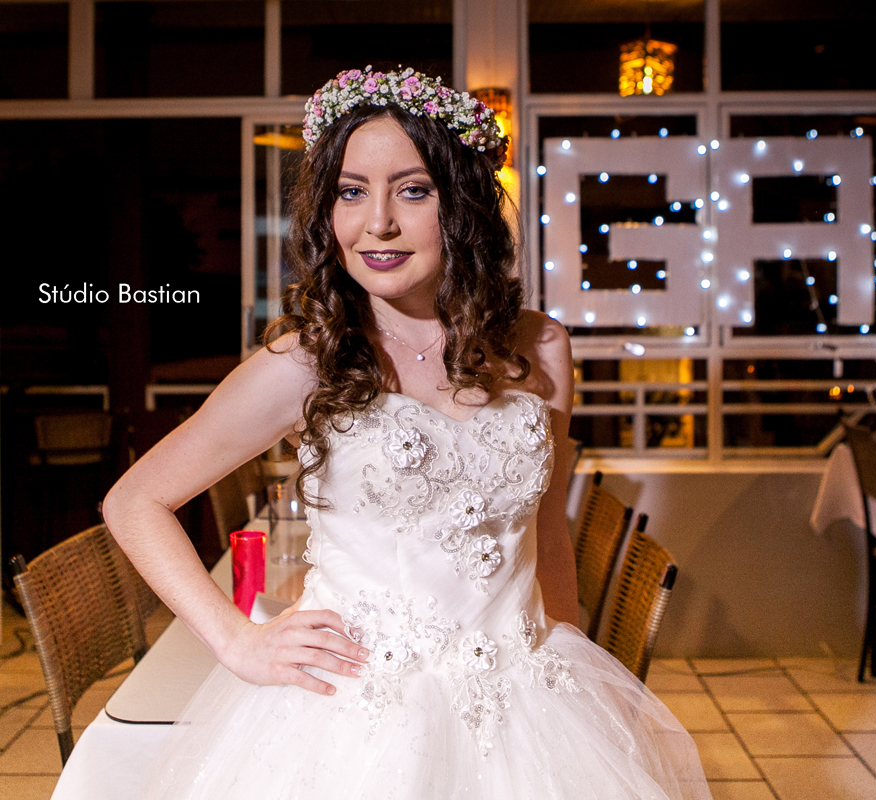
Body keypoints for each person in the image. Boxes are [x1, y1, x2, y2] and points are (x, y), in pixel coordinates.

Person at [102, 65, 712, 799]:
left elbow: (548, 534)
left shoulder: (541, 347)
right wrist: (238, 643)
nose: (378, 223)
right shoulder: (303, 363)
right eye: (351, 192)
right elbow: (134, 501)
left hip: (524, 706)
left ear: (464, 205)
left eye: (413, 190)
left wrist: (578, 687)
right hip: (353, 721)